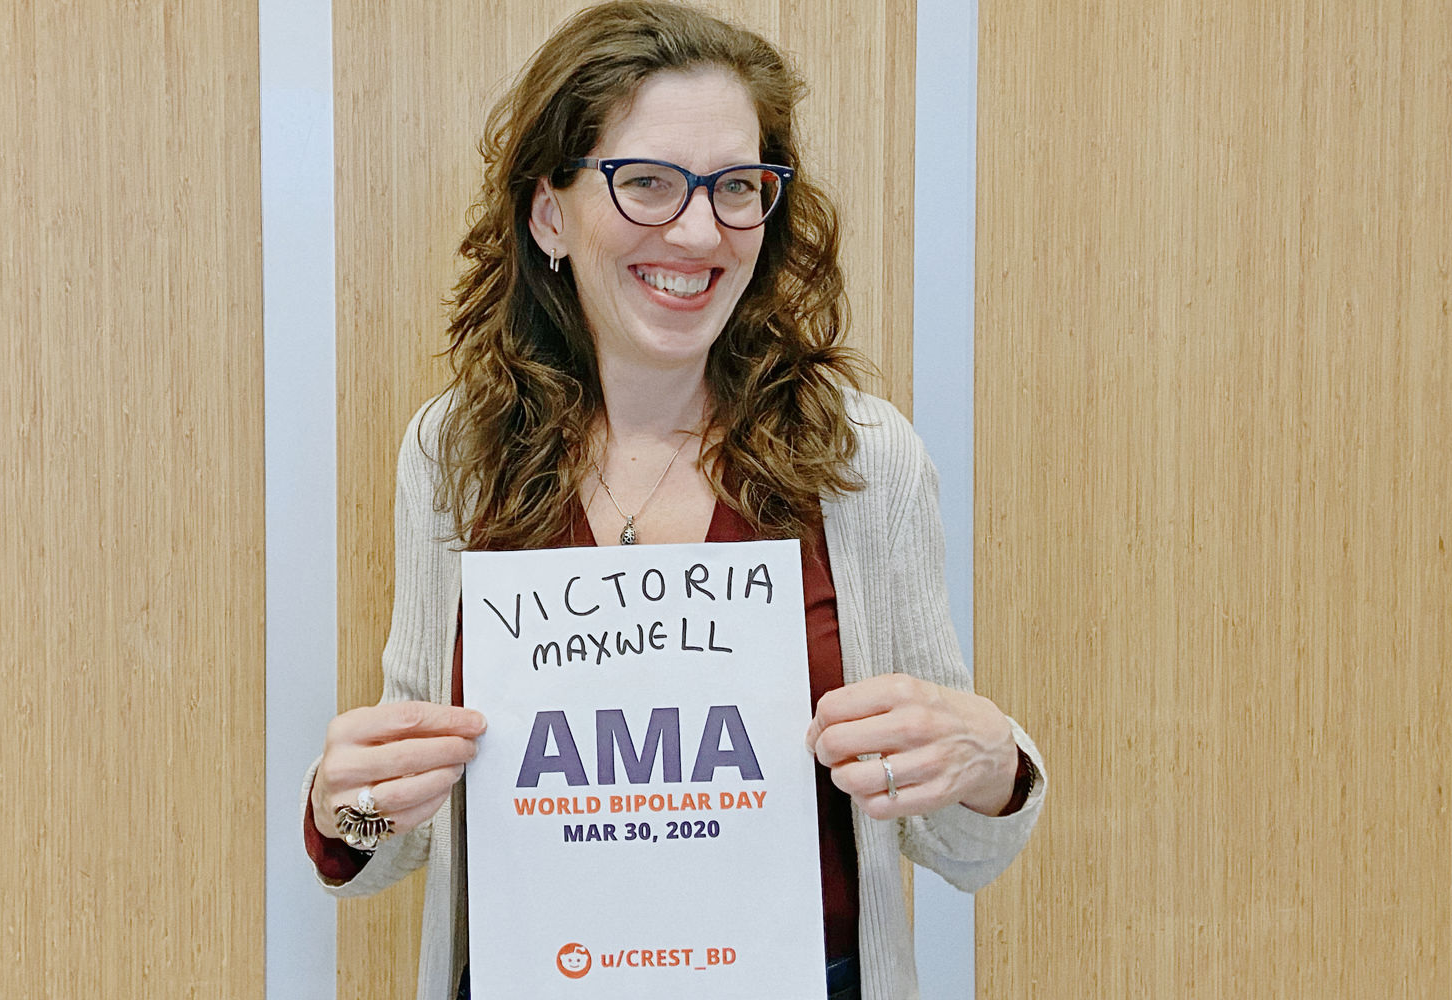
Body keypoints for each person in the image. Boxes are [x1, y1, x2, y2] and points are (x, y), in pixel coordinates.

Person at [303, 3, 1043, 997]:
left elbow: (960, 844)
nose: (697, 229)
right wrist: (346, 801)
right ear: (548, 211)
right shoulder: (458, 455)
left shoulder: (861, 460)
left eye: (736, 187)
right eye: (644, 182)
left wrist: (991, 761)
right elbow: (393, 836)